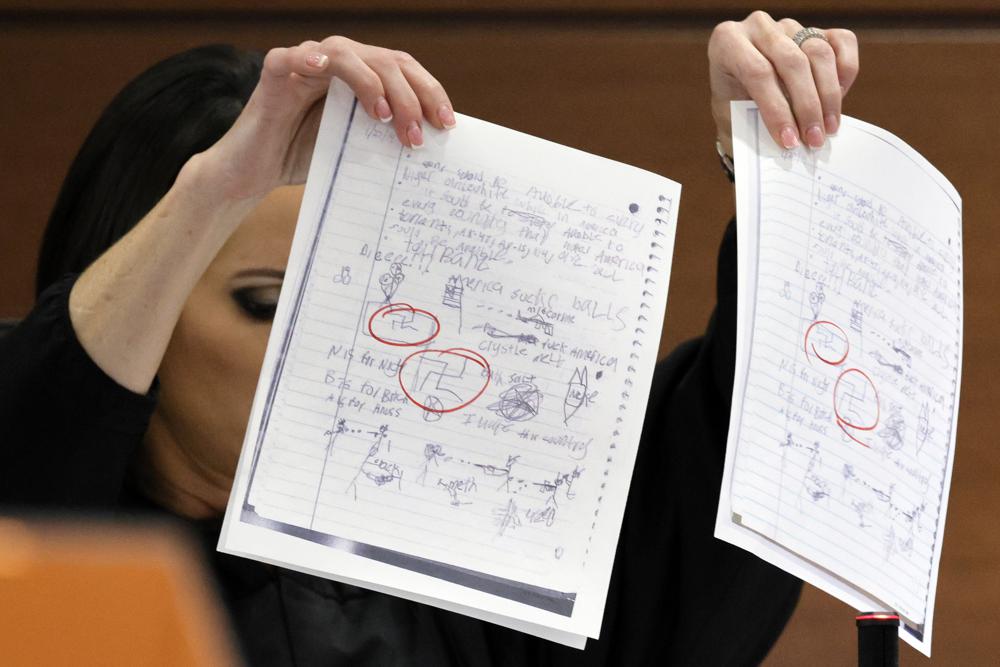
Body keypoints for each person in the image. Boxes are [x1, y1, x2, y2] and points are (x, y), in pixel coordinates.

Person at [0, 11, 858, 665]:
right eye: (264, 303)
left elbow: (703, 538)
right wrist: (212, 191)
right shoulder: (45, 539)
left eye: (354, 302)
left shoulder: (445, 557)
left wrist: (771, 156)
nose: (328, 351)